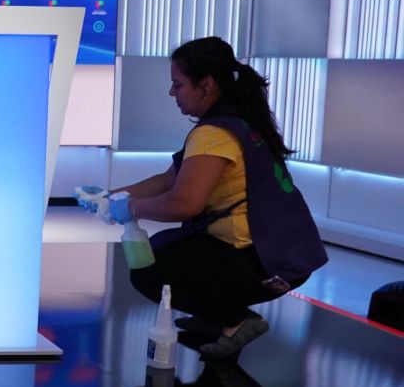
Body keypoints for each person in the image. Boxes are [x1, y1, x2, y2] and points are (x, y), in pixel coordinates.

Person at [80, 37, 327, 359]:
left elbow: (184, 203)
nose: (172, 93)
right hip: (281, 253)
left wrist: (128, 208)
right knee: (171, 249)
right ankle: (217, 317)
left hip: (260, 261)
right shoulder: (237, 123)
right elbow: (168, 180)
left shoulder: (214, 134)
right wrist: (109, 196)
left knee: (150, 269)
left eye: (177, 84)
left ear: (206, 85)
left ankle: (236, 321)